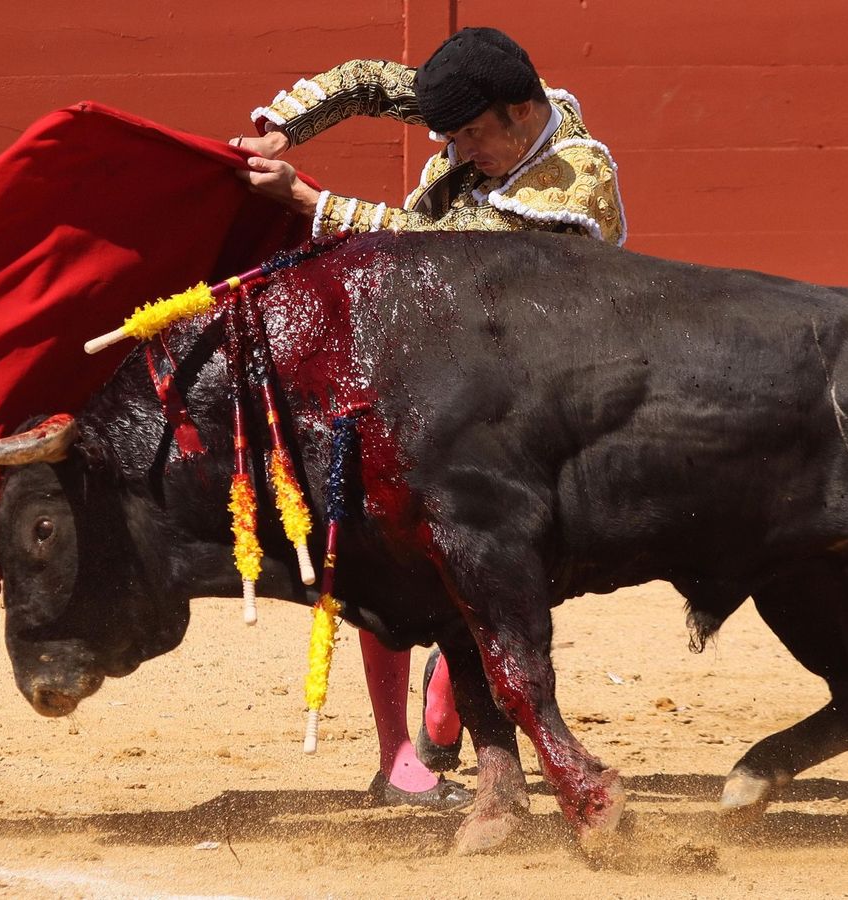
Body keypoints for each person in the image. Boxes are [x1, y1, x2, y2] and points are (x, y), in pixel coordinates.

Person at [232, 26, 629, 807]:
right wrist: (288, 124)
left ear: (523, 113)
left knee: (499, 564)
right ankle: (395, 757)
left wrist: (314, 204)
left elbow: (454, 248)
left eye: (471, 137)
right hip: (445, 367)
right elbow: (367, 80)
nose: (459, 150)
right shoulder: (486, 98)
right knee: (377, 531)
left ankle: (454, 675)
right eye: (446, 136)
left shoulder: (579, 177)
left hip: (538, 393)